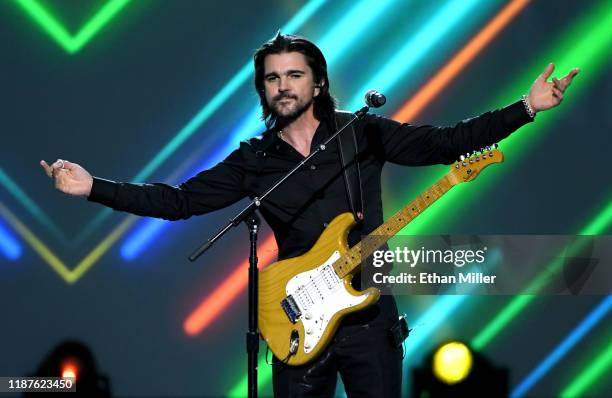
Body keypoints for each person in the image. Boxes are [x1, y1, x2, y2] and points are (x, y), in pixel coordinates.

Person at [41, 33, 579, 397]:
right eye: (272, 78)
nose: (282, 86)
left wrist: (525, 107)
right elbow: (180, 202)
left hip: (370, 319)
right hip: (296, 318)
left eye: (293, 75)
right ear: (263, 90)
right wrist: (95, 189)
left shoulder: (360, 130)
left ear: (316, 82)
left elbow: (445, 143)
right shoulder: (253, 160)